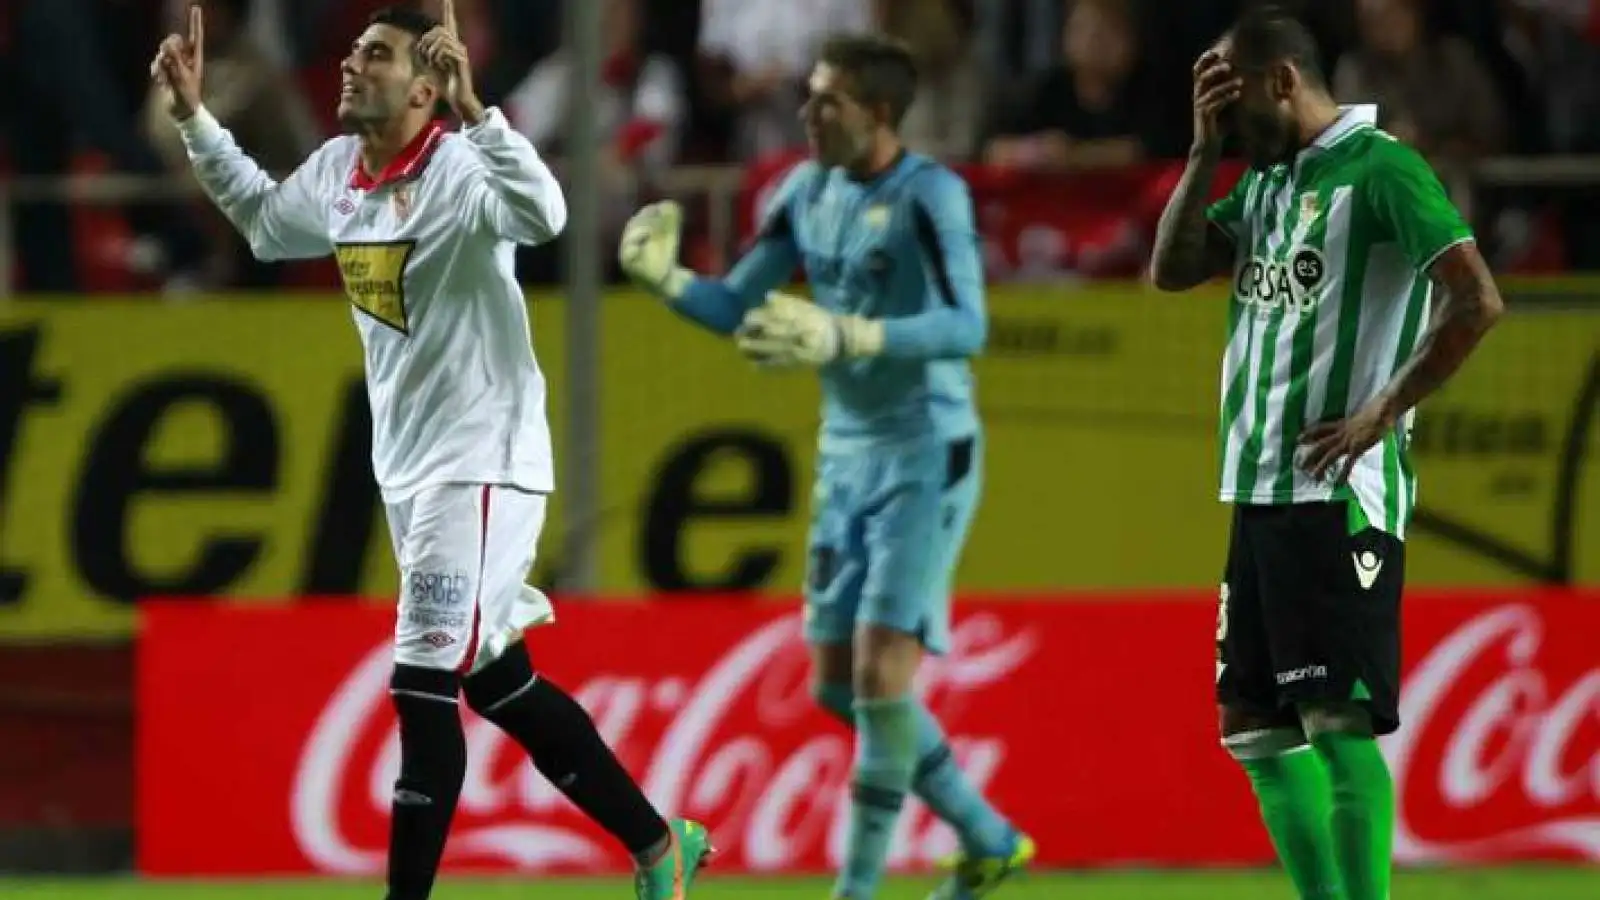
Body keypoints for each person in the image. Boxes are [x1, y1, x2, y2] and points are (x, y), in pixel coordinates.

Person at [149, 5, 711, 899]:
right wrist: (194, 119)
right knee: (496, 682)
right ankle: (658, 845)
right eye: (352, 48)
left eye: (375, 54)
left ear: (424, 87)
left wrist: (481, 115)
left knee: (420, 681)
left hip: (481, 459)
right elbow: (263, 224)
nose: (349, 63)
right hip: (408, 470)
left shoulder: (458, 168)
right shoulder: (340, 171)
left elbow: (546, 214)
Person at [617, 31, 1033, 900]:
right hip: (846, 455)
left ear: (877, 112)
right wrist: (666, 282)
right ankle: (987, 837)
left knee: (884, 676)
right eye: (809, 96)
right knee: (837, 689)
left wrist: (854, 333)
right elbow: (739, 301)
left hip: (927, 449)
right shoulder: (804, 191)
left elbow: (970, 326)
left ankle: (857, 889)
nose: (806, 113)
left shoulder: (933, 196)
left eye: (825, 100)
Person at [1148, 9, 1505, 900]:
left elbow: (1477, 300)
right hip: (1259, 487)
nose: (1234, 134)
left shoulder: (1381, 171)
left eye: (1237, 116)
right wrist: (1201, 155)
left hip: (1336, 491)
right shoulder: (1269, 183)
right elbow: (1172, 267)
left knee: (1336, 716)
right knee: (1254, 731)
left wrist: (1387, 406)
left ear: (1283, 82)